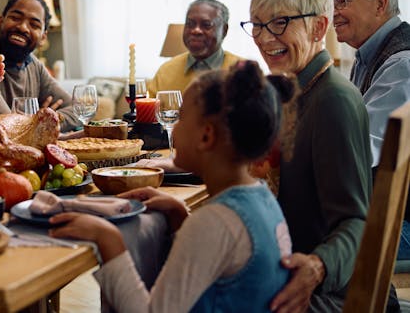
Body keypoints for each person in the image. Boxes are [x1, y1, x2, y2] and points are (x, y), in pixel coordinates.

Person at [50, 61, 295, 312]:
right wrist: (181, 217)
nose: (174, 126)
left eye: (181, 117)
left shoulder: (214, 222)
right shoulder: (263, 197)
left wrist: (109, 239)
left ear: (206, 136)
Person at [243, 0, 372, 311]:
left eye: (279, 22)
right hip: (284, 265)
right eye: (256, 24)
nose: (264, 37)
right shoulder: (290, 89)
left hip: (326, 291)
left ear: (318, 28)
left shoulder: (332, 100)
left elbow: (356, 222)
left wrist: (316, 268)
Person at [331, 0, 410, 261]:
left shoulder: (401, 63)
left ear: (380, 3)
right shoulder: (368, 54)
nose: (333, 12)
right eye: (333, 2)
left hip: (403, 222)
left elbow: (363, 149)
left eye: (343, 0)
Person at [0, 0, 81, 132]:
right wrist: (37, 122)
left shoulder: (35, 65)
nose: (23, 27)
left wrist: (46, 119)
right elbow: (6, 127)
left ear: (43, 38)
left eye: (34, 25)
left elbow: (79, 110)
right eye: (15, 18)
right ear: (0, 22)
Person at [147, 0, 242, 95]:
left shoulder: (241, 71)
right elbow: (149, 108)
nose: (196, 30)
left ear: (224, 30)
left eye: (206, 25)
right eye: (190, 24)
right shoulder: (166, 70)